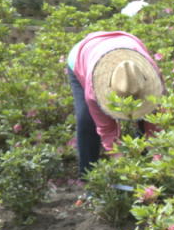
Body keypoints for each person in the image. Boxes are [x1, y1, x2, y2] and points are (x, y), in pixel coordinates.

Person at [67, 31, 165, 181]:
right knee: (87, 122)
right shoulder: (94, 88)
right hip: (82, 56)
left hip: (126, 42)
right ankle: (89, 181)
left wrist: (158, 167)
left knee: (146, 116)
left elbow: (156, 127)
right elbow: (107, 131)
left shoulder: (154, 79)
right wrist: (125, 172)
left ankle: (146, 167)